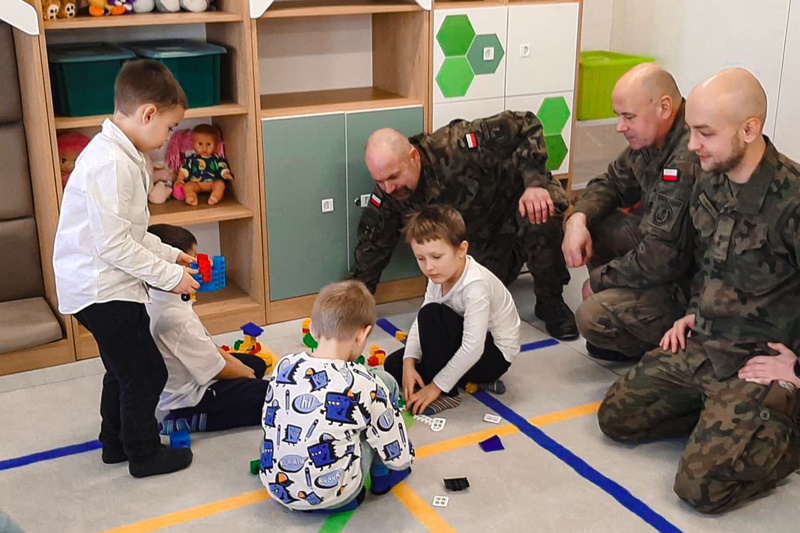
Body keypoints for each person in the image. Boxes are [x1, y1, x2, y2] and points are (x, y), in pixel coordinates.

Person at [598, 68, 800, 514]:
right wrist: (693, 310)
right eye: (691, 130)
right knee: (617, 417)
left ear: (750, 130)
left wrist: (796, 364)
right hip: (707, 342)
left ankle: (784, 426)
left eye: (705, 133)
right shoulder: (711, 179)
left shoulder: (793, 200)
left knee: (701, 489)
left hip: (758, 361)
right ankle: (727, 420)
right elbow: (709, 262)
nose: (691, 145)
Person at [52, 60, 199, 478]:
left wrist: (171, 256)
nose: (169, 136)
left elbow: (132, 232)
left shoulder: (124, 153)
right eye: (170, 127)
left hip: (111, 283)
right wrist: (171, 278)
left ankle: (115, 443)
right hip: (100, 288)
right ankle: (143, 453)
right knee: (146, 371)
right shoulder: (110, 163)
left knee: (122, 370)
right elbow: (114, 244)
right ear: (148, 113)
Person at [349, 111, 577, 340]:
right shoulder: (389, 194)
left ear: (413, 157)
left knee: (540, 217)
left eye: (394, 177)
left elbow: (526, 123)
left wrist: (534, 183)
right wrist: (353, 306)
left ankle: (551, 301)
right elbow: (373, 246)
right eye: (379, 181)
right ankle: (517, 256)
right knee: (469, 299)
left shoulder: (455, 145)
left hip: (517, 202)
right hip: (483, 237)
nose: (388, 188)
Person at [562, 63, 699, 361]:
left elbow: (662, 257)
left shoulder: (688, 155)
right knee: (596, 223)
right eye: (619, 116)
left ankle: (667, 336)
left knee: (591, 316)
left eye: (628, 117)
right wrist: (577, 218)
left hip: (694, 281)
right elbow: (611, 181)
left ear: (664, 107)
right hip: (668, 255)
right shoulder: (654, 137)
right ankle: (627, 311)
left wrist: (599, 281)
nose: (620, 126)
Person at [261, 281, 413, 513]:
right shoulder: (365, 382)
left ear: (313, 329)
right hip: (339, 495)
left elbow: (270, 420)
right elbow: (389, 437)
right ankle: (381, 478)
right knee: (384, 388)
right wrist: (403, 462)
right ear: (363, 334)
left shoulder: (285, 366)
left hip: (277, 488)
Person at [384, 206, 520, 416]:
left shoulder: (475, 286)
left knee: (432, 315)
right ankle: (467, 379)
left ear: (461, 250)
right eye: (421, 259)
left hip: (493, 356)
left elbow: (472, 347)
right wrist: (409, 362)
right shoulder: (438, 275)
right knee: (395, 365)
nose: (429, 267)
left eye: (436, 256)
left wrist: (435, 387)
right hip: (468, 344)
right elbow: (420, 327)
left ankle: (449, 394)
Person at [144, 224, 269, 435]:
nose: (201, 268)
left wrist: (239, 366)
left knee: (255, 364)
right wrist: (246, 376)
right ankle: (190, 419)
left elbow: (207, 346)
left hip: (186, 376)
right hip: (192, 395)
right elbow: (216, 368)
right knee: (271, 398)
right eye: (192, 262)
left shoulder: (158, 297)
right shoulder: (175, 318)